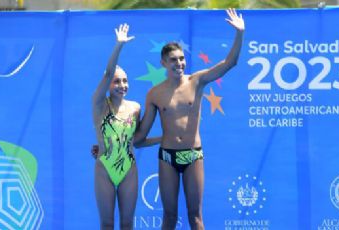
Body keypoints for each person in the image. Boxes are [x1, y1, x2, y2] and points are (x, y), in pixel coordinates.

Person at [134, 8, 245, 230]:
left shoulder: (197, 81)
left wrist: (240, 33)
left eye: (182, 58)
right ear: (163, 63)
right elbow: (139, 137)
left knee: (195, 216)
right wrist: (115, 140)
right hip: (167, 158)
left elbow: (229, 63)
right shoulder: (154, 94)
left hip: (193, 155)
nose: (179, 63)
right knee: (169, 216)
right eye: (173, 60)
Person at [92, 23, 160, 229]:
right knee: (106, 223)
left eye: (125, 81)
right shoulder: (99, 104)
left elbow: (137, 141)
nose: (122, 85)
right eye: (116, 82)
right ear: (108, 85)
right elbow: (107, 73)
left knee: (128, 223)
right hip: (104, 166)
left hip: (129, 169)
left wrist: (162, 139)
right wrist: (119, 46)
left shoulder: (135, 108)